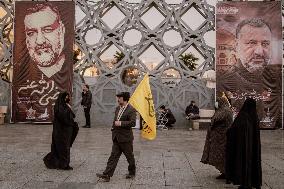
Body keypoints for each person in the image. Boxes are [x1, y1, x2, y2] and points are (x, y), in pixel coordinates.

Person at [96, 92, 136, 182]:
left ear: (124, 99)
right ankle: (107, 174)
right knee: (113, 156)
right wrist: (113, 128)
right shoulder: (118, 108)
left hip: (126, 138)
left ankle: (132, 172)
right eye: (117, 98)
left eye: (119, 98)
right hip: (116, 137)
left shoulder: (131, 110)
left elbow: (133, 123)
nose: (118, 100)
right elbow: (115, 120)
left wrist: (121, 123)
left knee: (129, 157)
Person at [226, 98, 262, 189]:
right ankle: (254, 182)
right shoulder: (254, 117)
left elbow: (233, 130)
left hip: (242, 147)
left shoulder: (243, 116)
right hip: (252, 147)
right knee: (253, 161)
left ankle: (245, 183)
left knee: (243, 162)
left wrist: (229, 131)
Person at [24, 3, 66, 78]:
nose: (40, 41)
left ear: (61, 31)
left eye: (47, 30)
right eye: (31, 33)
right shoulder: (23, 73)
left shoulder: (70, 72)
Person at [43, 92, 79, 170]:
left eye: (68, 97)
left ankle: (63, 163)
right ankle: (64, 165)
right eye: (66, 97)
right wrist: (68, 109)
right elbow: (63, 117)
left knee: (66, 147)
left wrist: (69, 108)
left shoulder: (66, 105)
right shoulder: (58, 106)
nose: (67, 98)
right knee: (62, 147)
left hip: (67, 131)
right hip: (60, 131)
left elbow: (72, 116)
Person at [201, 97, 233, 179]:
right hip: (218, 139)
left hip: (222, 138)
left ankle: (226, 172)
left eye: (217, 102)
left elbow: (215, 120)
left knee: (221, 155)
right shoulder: (221, 110)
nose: (216, 103)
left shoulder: (225, 111)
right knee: (218, 155)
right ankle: (223, 172)